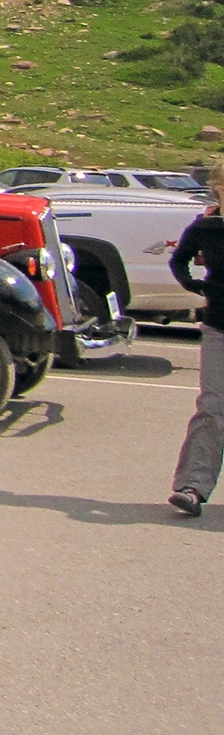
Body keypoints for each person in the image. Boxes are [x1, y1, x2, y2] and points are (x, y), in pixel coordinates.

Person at [167, 163, 224, 516]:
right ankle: (193, 488)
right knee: (212, 410)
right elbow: (179, 261)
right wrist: (196, 286)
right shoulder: (207, 227)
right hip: (219, 328)